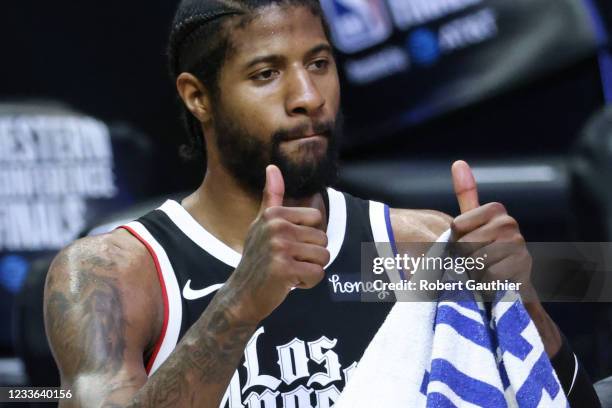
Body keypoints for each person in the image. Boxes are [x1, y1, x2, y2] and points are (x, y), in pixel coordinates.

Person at [43, 0, 600, 407]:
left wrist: (522, 303)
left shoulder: (414, 248)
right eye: (266, 74)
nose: (307, 98)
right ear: (198, 96)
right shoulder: (113, 274)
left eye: (319, 64)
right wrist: (238, 305)